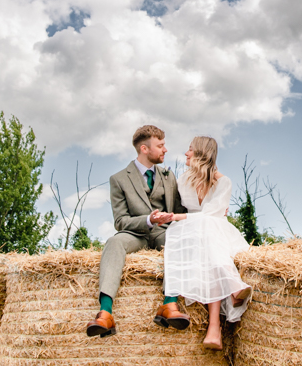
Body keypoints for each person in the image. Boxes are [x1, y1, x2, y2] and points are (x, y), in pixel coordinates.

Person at [86, 124, 191, 337]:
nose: (165, 150)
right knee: (114, 242)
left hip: (165, 232)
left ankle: (169, 304)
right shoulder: (119, 179)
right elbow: (121, 221)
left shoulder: (169, 176)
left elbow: (181, 211)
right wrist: (148, 220)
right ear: (144, 149)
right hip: (136, 235)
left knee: (183, 240)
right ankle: (105, 314)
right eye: (160, 146)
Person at [163, 136, 253, 350]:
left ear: (201, 154)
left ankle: (215, 327)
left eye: (190, 149)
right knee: (206, 241)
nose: (186, 153)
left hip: (215, 230)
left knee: (208, 235)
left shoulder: (223, 182)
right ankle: (230, 292)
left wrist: (175, 217)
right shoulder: (183, 180)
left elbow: (210, 216)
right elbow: (191, 212)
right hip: (192, 230)